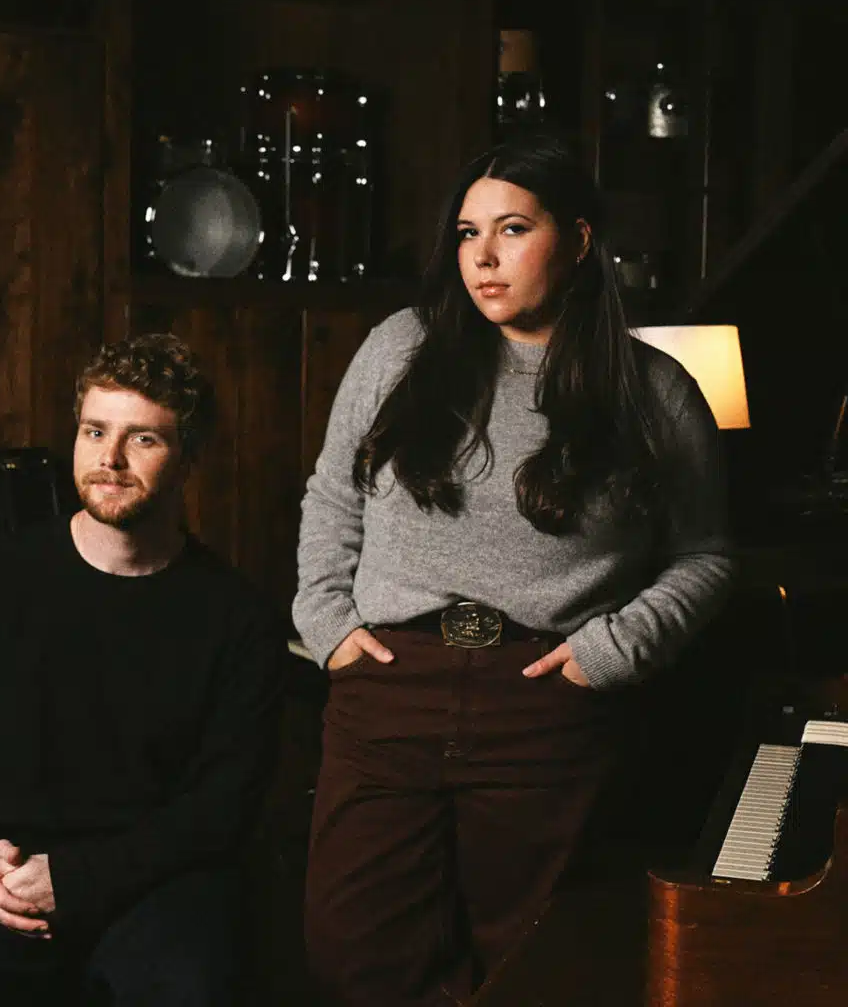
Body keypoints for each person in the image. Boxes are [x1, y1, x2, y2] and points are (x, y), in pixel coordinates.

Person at [292, 123, 737, 1006]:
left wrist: (611, 651)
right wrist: (327, 621)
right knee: (353, 955)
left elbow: (707, 556)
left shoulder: (654, 390)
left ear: (577, 241)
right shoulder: (401, 348)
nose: (483, 257)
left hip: (544, 702)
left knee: (526, 965)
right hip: (391, 686)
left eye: (513, 229)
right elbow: (334, 495)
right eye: (468, 232)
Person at [0, 334, 286, 1007]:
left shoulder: (239, 619)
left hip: (158, 883)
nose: (109, 459)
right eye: (94, 431)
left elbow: (220, 807)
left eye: (143, 439)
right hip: (4, 869)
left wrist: (74, 878)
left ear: (188, 458)